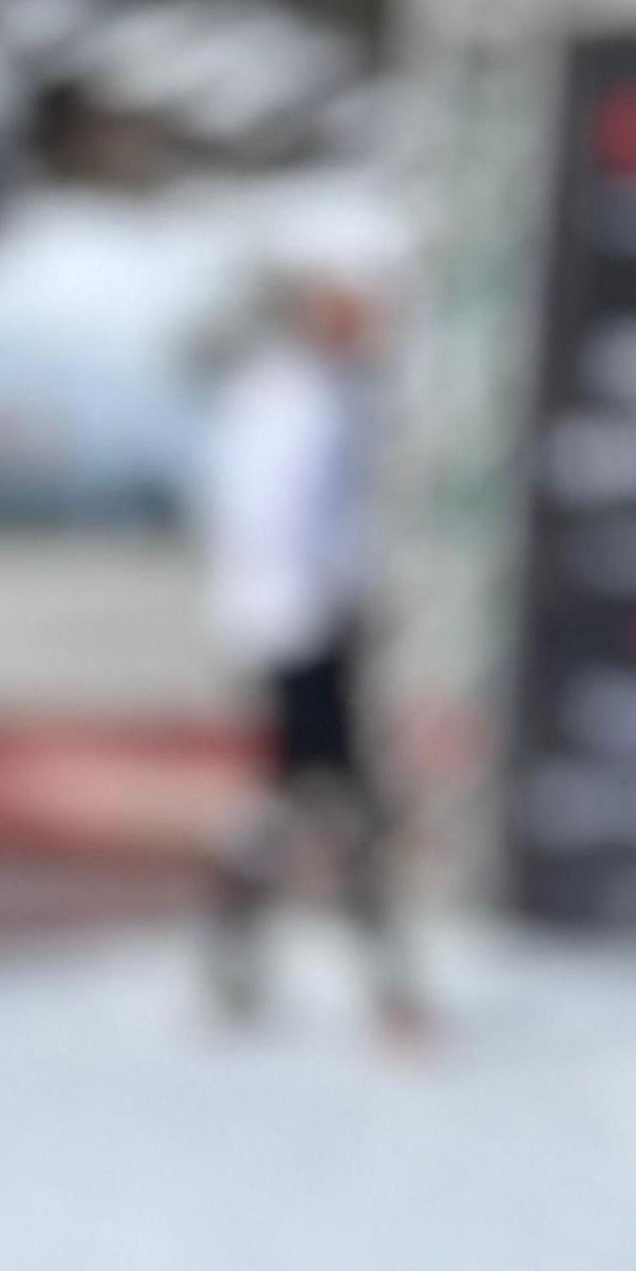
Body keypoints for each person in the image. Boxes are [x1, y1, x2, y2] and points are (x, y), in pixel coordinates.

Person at [195, 266, 426, 1038]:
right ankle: (377, 976)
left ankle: (243, 957)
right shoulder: (292, 401)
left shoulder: (319, 395)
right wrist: (311, 606)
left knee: (305, 795)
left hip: (313, 623)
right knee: (329, 796)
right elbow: (268, 517)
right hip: (302, 629)